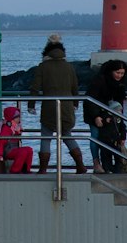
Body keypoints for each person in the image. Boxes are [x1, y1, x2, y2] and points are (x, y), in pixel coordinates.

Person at [28, 34, 87, 174]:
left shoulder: (43, 67)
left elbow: (35, 87)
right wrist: (76, 103)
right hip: (66, 107)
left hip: (49, 107)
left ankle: (43, 169)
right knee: (67, 135)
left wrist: (31, 105)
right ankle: (80, 165)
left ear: (46, 52)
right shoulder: (69, 67)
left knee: (46, 137)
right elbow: (75, 87)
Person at [85, 59, 127, 173]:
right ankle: (96, 163)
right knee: (95, 136)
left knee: (111, 138)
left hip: (111, 114)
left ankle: (113, 165)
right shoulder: (99, 80)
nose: (119, 75)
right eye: (117, 72)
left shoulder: (120, 84)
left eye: (122, 73)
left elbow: (120, 102)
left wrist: (120, 117)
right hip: (95, 112)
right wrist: (95, 116)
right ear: (111, 71)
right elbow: (90, 99)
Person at [0, 105, 34, 173]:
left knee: (29, 150)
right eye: (16, 117)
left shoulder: (15, 127)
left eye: (18, 117)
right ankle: (15, 170)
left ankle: (26, 169)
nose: (18, 119)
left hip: (13, 149)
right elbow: (1, 141)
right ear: (11, 118)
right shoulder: (7, 128)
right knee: (22, 152)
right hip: (7, 151)